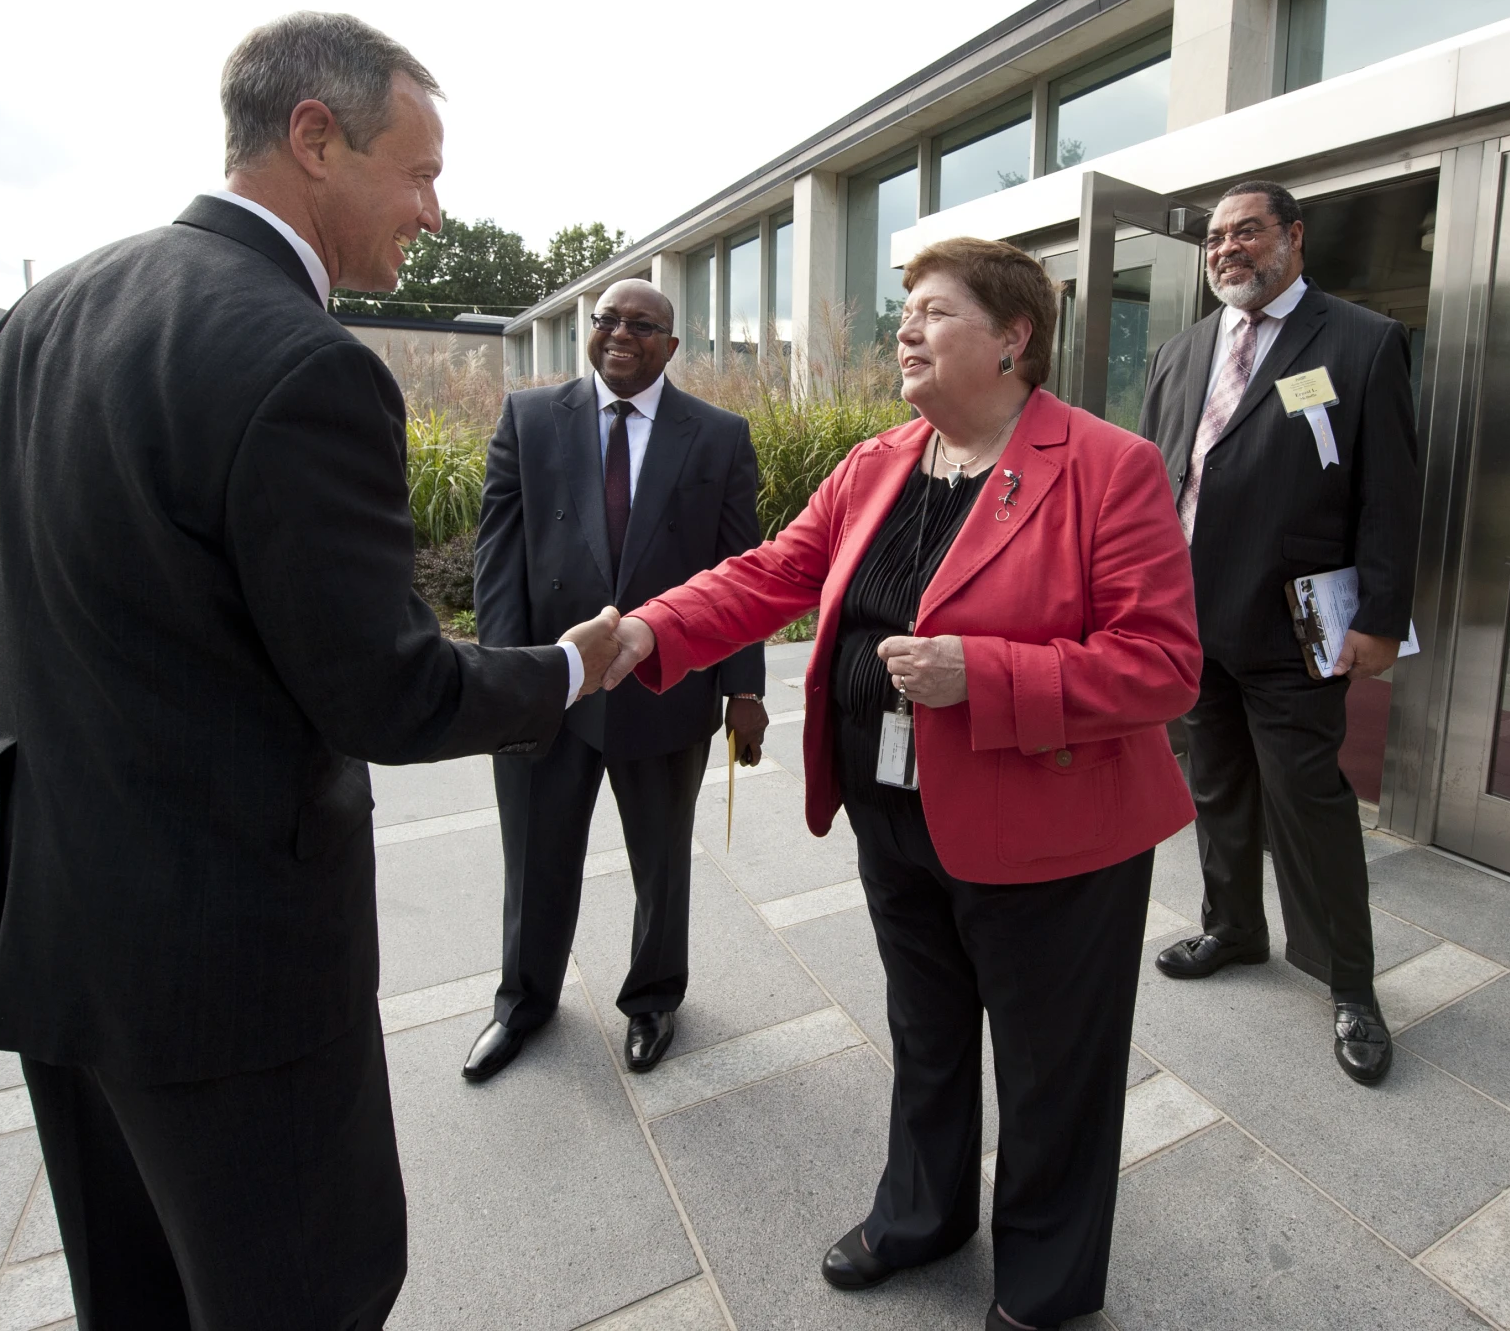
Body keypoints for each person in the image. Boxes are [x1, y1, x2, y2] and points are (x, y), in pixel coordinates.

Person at [0, 11, 622, 1331]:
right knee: (308, 1289)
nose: (434, 208)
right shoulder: (304, 363)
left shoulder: (42, 315)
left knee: (127, 1291)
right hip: (223, 964)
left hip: (53, 924)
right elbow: (385, 690)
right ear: (315, 137)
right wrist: (569, 667)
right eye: (418, 171)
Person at [602, 237, 1200, 1331]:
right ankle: (922, 1214)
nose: (905, 332)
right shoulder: (881, 462)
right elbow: (772, 571)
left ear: (1014, 339)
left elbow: (1162, 666)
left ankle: (1043, 1287)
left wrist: (986, 672)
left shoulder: (1110, 466)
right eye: (903, 313)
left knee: (1049, 1070)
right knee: (926, 1033)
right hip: (896, 810)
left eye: (931, 311)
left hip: (1054, 833)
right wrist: (650, 630)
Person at [1136, 178, 1422, 1086]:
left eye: (1248, 232)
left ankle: (1349, 984)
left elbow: (1389, 494)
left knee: (1309, 802)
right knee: (1214, 784)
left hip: (1296, 626)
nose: (1228, 249)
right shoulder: (1181, 353)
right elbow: (1152, 490)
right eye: (1216, 238)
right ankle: (1233, 926)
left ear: (1293, 238)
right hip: (1187, 620)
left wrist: (1380, 617)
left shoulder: (1360, 342)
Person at [461, 278, 769, 1083]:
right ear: (588, 334)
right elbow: (497, 564)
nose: (620, 333)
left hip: (666, 687)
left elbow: (740, 573)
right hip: (546, 689)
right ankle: (521, 1005)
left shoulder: (718, 435)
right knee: (533, 856)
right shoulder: (528, 419)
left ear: (671, 345)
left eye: (643, 324)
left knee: (662, 860)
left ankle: (654, 999)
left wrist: (744, 688)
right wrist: (506, 683)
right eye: (606, 320)